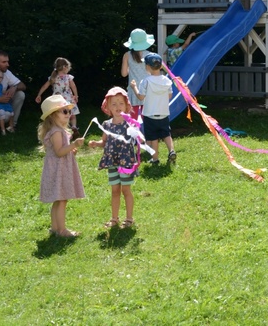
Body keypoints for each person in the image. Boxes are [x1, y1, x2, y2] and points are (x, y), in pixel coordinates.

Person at [89, 87, 139, 229]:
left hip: (126, 162)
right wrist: (96, 143)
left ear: (127, 105)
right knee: (115, 190)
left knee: (126, 190)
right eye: (114, 104)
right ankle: (114, 218)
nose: (118, 106)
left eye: (121, 103)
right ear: (108, 107)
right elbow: (104, 142)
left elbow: (137, 140)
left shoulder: (129, 124)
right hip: (112, 162)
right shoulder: (107, 125)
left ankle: (129, 218)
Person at [38, 95, 86, 238]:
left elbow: (62, 150)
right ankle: (62, 230)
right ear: (53, 116)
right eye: (64, 111)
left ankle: (55, 228)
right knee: (62, 199)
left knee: (59, 199)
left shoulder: (58, 130)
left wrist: (71, 150)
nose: (68, 114)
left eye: (68, 111)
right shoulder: (57, 131)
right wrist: (74, 144)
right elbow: (59, 152)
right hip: (58, 170)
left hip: (58, 168)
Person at [130, 52, 176, 165]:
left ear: (147, 67)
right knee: (166, 134)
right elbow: (169, 96)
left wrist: (134, 87)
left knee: (154, 137)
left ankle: (155, 159)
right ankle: (171, 150)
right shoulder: (167, 81)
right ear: (161, 66)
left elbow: (141, 97)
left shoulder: (145, 81)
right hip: (164, 114)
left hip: (150, 115)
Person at [34, 57, 80, 136]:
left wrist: (39, 95)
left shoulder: (53, 77)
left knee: (59, 115)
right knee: (72, 114)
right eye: (68, 67)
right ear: (64, 67)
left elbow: (45, 86)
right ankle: (73, 126)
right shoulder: (68, 77)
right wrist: (76, 95)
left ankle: (61, 129)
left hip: (57, 100)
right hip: (68, 98)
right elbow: (73, 86)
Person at [121, 28, 155, 120]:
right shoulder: (150, 55)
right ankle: (148, 133)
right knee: (148, 117)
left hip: (133, 88)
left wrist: (131, 69)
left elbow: (124, 74)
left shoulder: (127, 55)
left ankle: (133, 134)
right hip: (147, 88)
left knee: (132, 118)